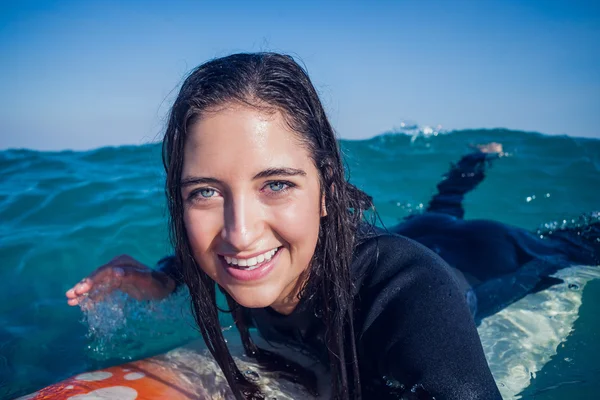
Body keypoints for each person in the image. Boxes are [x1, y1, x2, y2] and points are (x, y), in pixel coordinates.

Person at [67, 53, 501, 400]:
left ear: (327, 190)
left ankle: (475, 162)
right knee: (440, 208)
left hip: (485, 258)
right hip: (412, 233)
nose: (239, 234)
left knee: (559, 242)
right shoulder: (226, 253)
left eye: (276, 184)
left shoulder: (409, 290)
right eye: (205, 192)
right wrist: (163, 279)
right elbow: (193, 260)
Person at [389, 143, 600, 320]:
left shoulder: (449, 301)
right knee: (446, 198)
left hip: (493, 246)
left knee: (564, 251)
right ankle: (477, 156)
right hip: (421, 228)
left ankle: (478, 156)